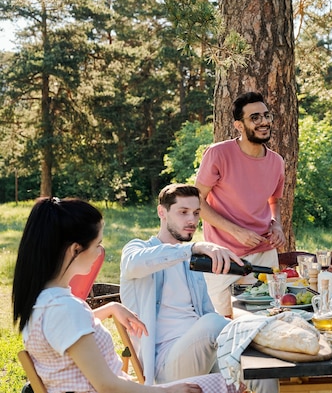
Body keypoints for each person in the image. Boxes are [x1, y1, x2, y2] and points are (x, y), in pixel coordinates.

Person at [12, 197, 241, 393]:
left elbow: (63, 331)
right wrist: (166, 391)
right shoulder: (64, 309)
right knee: (235, 383)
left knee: (230, 381)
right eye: (97, 244)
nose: (101, 252)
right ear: (75, 249)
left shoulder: (43, 301)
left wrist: (110, 309)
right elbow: (107, 386)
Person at [120, 184, 277, 393]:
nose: (192, 221)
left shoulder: (193, 262)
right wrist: (193, 248)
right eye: (183, 212)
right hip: (166, 367)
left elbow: (206, 312)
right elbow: (135, 263)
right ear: (162, 212)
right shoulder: (138, 249)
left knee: (259, 368)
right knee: (215, 323)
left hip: (204, 354)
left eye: (196, 213)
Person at [195, 91, 286, 318]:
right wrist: (236, 231)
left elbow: (274, 199)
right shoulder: (218, 154)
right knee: (222, 322)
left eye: (266, 115)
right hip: (223, 255)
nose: (264, 121)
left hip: (264, 253)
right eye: (255, 117)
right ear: (239, 125)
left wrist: (277, 225)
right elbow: (196, 200)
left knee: (266, 318)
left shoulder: (276, 161)